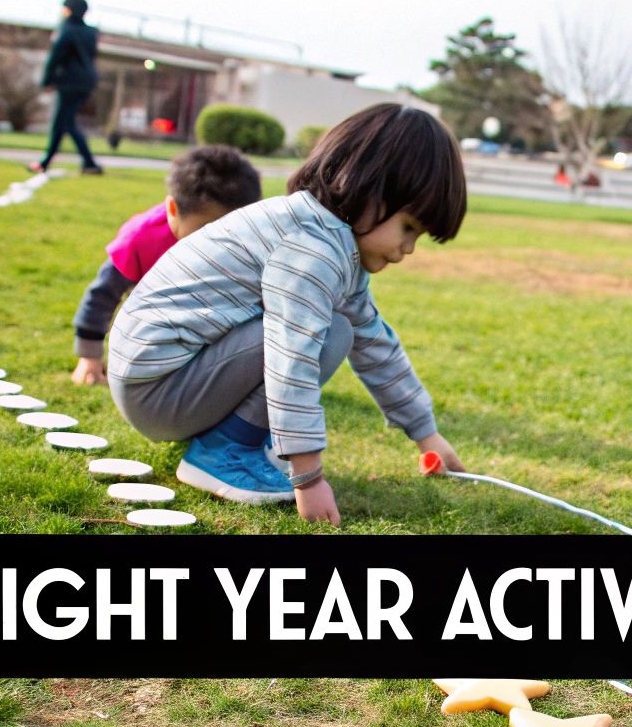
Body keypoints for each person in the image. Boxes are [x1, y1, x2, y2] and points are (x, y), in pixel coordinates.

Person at [106, 104, 467, 523]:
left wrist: (427, 435)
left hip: (159, 383)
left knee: (343, 328)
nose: (408, 250)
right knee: (328, 333)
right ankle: (224, 454)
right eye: (408, 228)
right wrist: (308, 478)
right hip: (157, 388)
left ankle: (227, 443)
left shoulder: (325, 238)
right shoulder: (311, 248)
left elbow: (375, 342)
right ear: (370, 192)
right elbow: (290, 358)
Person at [70, 145, 265, 386]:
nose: (215, 245)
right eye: (203, 231)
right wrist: (89, 357)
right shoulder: (140, 239)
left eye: (228, 233)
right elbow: (101, 296)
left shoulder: (256, 246)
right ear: (172, 209)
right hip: (153, 329)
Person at [29, 0, 103, 176]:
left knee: (66, 123)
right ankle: (47, 162)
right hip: (87, 81)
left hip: (70, 81)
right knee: (63, 123)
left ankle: (89, 163)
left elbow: (56, 57)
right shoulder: (91, 32)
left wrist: (47, 80)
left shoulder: (67, 30)